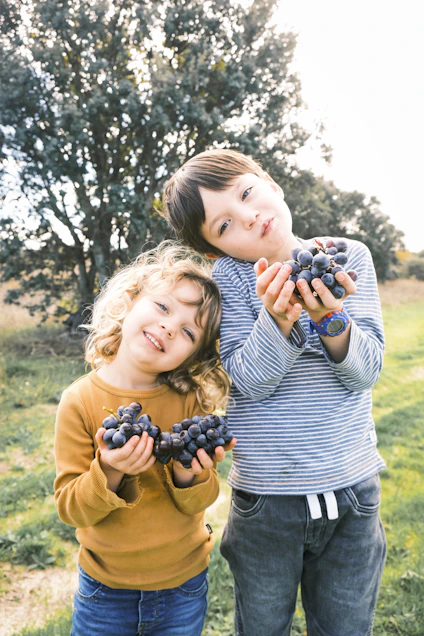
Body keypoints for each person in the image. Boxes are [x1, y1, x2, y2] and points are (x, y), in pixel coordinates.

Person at [161, 149, 387, 636]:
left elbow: (365, 372)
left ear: (270, 183)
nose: (248, 216)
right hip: (267, 501)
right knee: (262, 626)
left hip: (351, 492)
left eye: (246, 193)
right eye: (224, 226)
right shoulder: (231, 280)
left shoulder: (350, 258)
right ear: (214, 250)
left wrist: (330, 317)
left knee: (345, 626)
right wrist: (279, 319)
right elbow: (249, 381)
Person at [54, 242, 234, 636]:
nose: (170, 326)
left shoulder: (190, 402)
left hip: (183, 587)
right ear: (131, 299)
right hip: (105, 592)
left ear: (192, 357)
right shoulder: (80, 401)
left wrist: (190, 475)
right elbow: (71, 509)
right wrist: (109, 471)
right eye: (164, 307)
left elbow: (202, 501)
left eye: (188, 331)